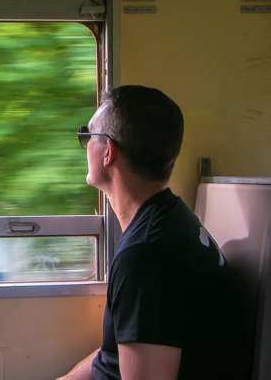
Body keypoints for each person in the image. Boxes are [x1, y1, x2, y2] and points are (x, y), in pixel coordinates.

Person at [57, 85, 248, 380]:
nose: (85, 144)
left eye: (88, 135)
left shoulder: (148, 255)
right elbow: (115, 356)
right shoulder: (169, 219)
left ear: (108, 152)